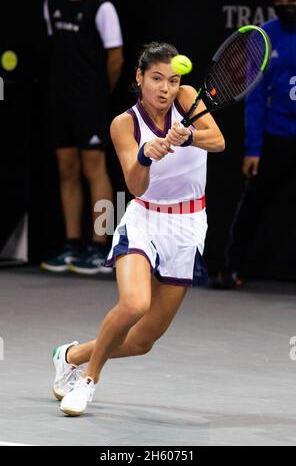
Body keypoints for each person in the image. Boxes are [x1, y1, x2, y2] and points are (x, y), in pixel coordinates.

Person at [51, 42, 225, 416]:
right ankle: (87, 381)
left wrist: (188, 135)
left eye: (173, 80)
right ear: (139, 78)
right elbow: (135, 186)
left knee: (143, 341)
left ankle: (71, 355)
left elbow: (219, 141)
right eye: (157, 79)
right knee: (134, 304)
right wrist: (147, 154)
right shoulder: (124, 124)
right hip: (146, 218)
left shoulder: (189, 98)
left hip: (189, 225)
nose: (165, 88)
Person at [210, 0, 296, 289]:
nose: (287, 3)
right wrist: (254, 148)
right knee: (252, 205)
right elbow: (255, 98)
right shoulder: (265, 36)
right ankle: (231, 268)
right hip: (276, 136)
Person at [41, 0, 124, 274]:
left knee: (96, 168)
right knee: (67, 168)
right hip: (59, 99)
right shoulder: (50, 3)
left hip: (91, 101)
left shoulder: (102, 8)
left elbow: (116, 58)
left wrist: (99, 95)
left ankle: (102, 245)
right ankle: (71, 243)